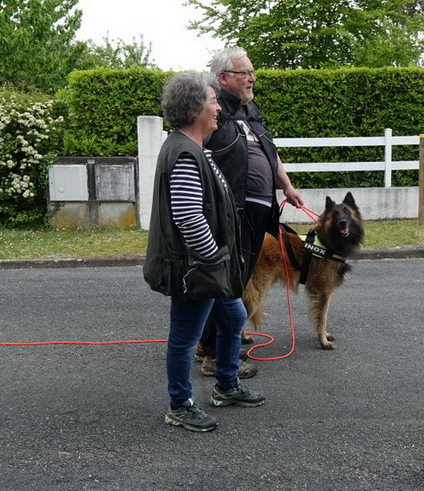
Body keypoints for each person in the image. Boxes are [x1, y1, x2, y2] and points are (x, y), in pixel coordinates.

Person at [143, 72, 265, 433]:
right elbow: (187, 215)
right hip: (195, 269)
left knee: (233, 316)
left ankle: (226, 385)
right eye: (213, 101)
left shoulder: (195, 147)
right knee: (184, 339)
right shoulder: (184, 151)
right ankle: (180, 405)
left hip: (208, 266)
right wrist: (213, 257)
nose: (218, 108)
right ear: (195, 107)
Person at [195, 47, 304, 375]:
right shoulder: (212, 111)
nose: (252, 78)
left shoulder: (249, 112)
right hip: (232, 213)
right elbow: (194, 151)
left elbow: (269, 152)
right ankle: (215, 356)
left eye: (252, 72)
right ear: (223, 77)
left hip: (259, 211)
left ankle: (208, 344)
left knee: (237, 280)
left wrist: (287, 185)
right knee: (228, 282)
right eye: (245, 73)